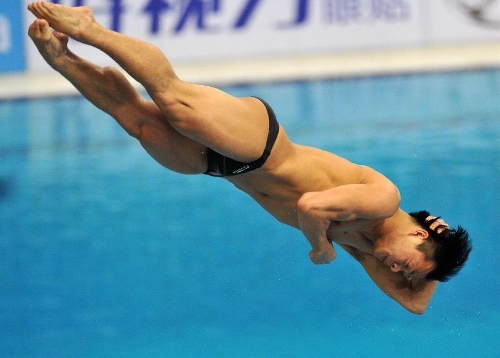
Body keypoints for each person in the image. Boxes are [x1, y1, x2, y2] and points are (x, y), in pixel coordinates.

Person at [27, 2, 472, 314]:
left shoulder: (369, 249)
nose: (397, 271)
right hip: (261, 146)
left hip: (224, 170)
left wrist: (438, 256)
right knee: (173, 100)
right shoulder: (383, 201)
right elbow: (310, 207)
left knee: (136, 120)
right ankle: (89, 28)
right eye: (407, 265)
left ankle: (64, 59)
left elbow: (414, 305)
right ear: (416, 233)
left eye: (403, 272)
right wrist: (320, 246)